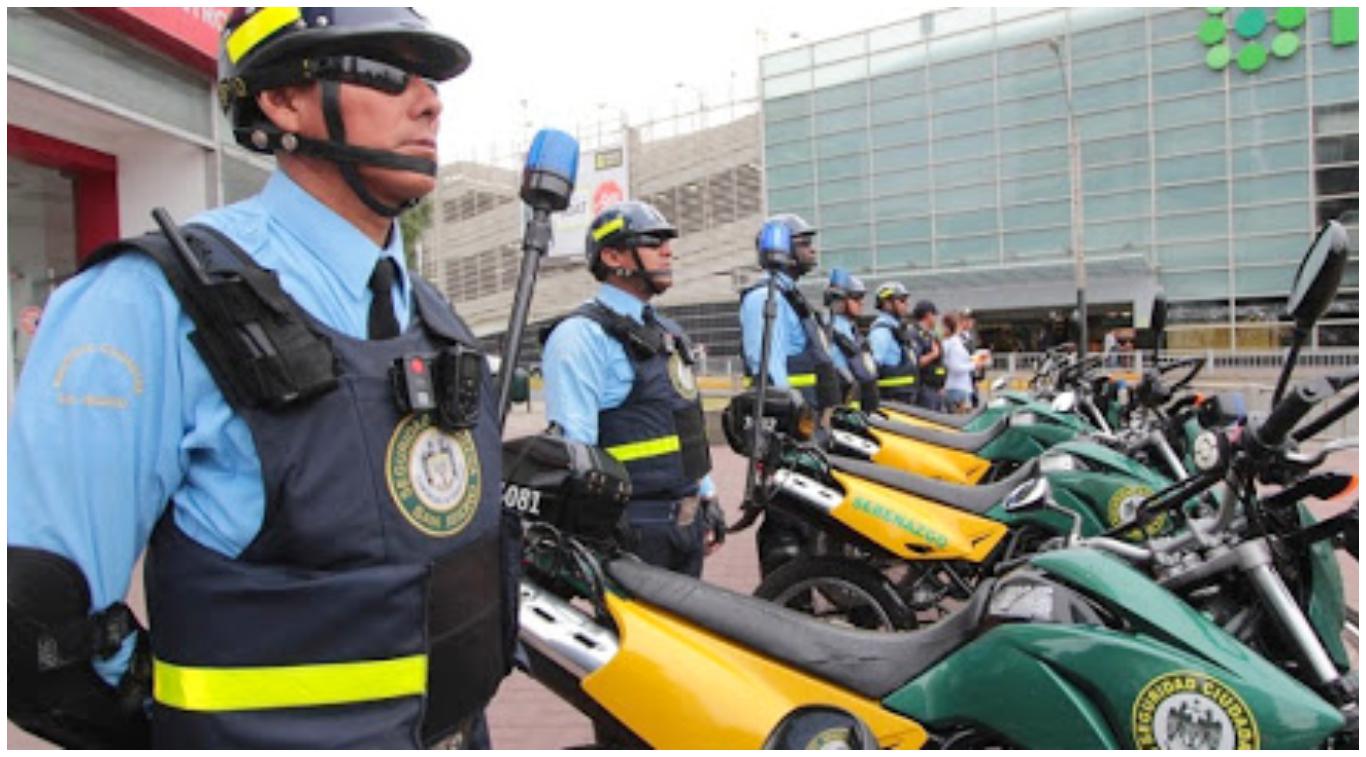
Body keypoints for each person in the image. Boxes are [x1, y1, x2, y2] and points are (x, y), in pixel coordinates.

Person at [8, 9, 516, 749]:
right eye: (384, 68)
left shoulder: (430, 312)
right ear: (281, 100)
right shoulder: (146, 301)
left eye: (430, 78)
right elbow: (40, 622)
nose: (429, 100)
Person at [541, 201, 723, 578]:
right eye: (652, 242)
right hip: (632, 535)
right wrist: (597, 532)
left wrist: (707, 496)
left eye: (667, 242)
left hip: (686, 529)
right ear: (612, 255)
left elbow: (686, 425)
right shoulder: (580, 337)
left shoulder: (670, 333)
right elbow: (577, 451)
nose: (667, 250)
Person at [738, 213, 840, 576]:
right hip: (790, 430)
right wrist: (792, 430)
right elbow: (769, 371)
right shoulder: (765, 298)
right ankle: (786, 602)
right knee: (786, 523)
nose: (813, 249)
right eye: (804, 242)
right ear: (781, 247)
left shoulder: (790, 296)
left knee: (809, 517)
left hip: (809, 425)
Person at [823, 268, 879, 412]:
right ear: (840, 300)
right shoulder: (832, 330)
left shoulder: (851, 329)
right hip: (843, 407)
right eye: (856, 298)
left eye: (861, 298)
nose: (861, 303)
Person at [867, 282, 920, 405]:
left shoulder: (897, 329)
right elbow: (872, 367)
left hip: (904, 399)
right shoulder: (881, 332)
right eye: (901, 300)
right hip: (892, 401)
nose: (907, 304)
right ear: (887, 303)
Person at [910, 299, 947, 411]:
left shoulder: (931, 335)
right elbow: (916, 362)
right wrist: (933, 354)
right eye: (934, 315)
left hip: (935, 388)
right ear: (928, 315)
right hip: (924, 389)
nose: (936, 319)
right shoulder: (914, 334)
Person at [940, 312, 977, 413]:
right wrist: (975, 365)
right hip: (958, 388)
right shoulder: (953, 344)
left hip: (958, 387)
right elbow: (955, 367)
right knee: (963, 421)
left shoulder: (948, 342)